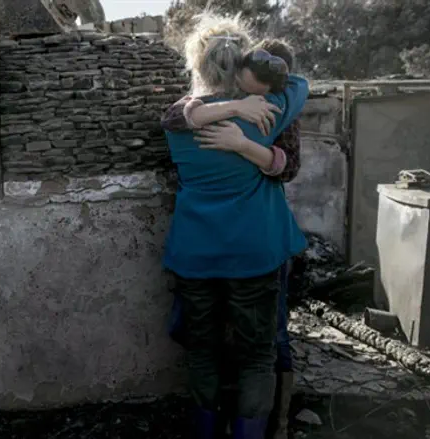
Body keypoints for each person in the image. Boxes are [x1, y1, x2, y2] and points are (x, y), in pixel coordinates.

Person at [160, 13, 308, 439]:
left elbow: (175, 114)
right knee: (256, 356)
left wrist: (222, 106)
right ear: (243, 62)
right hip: (254, 252)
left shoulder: (181, 123)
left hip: (196, 254)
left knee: (202, 353)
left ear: (198, 66)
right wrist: (249, 94)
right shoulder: (270, 112)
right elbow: (299, 83)